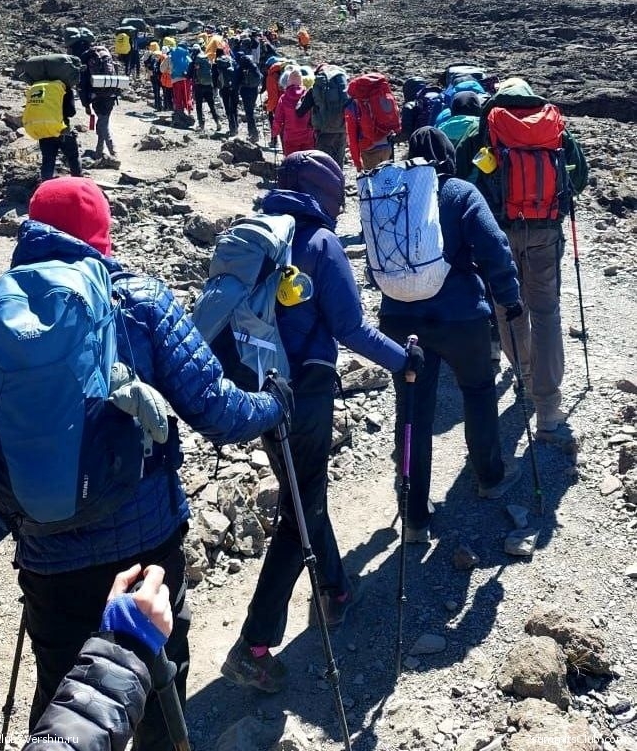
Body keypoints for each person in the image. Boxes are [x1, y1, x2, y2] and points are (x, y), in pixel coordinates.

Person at [0, 177, 288, 751]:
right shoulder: (138, 300)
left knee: (65, 700)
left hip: (48, 556)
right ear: (101, 234)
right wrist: (274, 402)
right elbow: (217, 411)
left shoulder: (1, 318)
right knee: (155, 691)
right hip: (144, 550)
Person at [222, 151, 422, 693]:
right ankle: (253, 647)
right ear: (327, 194)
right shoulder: (320, 244)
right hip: (304, 395)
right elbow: (351, 328)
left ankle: (335, 590)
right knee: (299, 511)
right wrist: (403, 361)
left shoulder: (259, 236)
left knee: (305, 494)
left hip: (260, 389)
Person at [378, 128, 524, 543]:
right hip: (461, 317)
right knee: (478, 391)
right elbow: (494, 246)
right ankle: (490, 477)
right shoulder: (460, 191)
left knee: (412, 409)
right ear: (448, 157)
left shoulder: (390, 192)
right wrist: (509, 297)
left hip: (400, 320)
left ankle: (414, 517)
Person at [455, 77, 588, 441]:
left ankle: (526, 376)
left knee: (508, 308)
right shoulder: (554, 129)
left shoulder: (482, 132)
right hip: (545, 233)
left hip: (496, 235)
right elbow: (579, 178)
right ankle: (548, 409)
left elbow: (460, 183)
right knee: (546, 314)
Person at [0, 564, 172, 751]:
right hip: (155, 560)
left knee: (58, 682)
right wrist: (121, 656)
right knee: (159, 718)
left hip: (55, 577)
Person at [79, 43, 120, 167]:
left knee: (102, 124)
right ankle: (99, 152)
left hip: (96, 97)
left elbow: (83, 86)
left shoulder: (88, 62)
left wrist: (86, 105)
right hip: (111, 95)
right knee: (103, 122)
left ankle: (113, 153)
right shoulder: (107, 58)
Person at [37, 82, 82, 181]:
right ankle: (78, 183)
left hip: (44, 129)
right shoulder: (64, 88)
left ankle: (45, 186)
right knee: (73, 157)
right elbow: (71, 112)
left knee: (48, 160)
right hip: (62, 129)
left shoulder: (38, 87)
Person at [271, 68, 315, 156]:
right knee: (307, 161)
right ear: (301, 81)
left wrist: (274, 133)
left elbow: (278, 119)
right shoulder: (308, 95)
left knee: (292, 161)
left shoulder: (284, 98)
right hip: (308, 136)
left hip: (290, 137)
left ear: (288, 82)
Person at [189, 43, 222, 133]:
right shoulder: (206, 57)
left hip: (199, 85)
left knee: (199, 106)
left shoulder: (195, 60)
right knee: (212, 105)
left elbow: (190, 74)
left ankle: (201, 125)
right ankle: (217, 122)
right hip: (208, 85)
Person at [236, 43, 262, 142]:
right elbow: (261, 76)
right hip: (254, 90)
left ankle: (253, 134)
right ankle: (253, 133)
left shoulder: (241, 67)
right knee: (251, 111)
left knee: (249, 113)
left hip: (245, 91)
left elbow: (237, 81)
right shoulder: (253, 66)